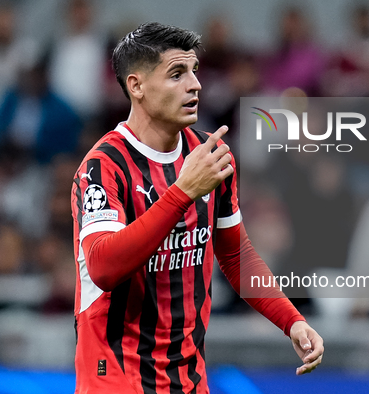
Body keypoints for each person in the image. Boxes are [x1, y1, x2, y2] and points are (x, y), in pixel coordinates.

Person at [70, 22, 323, 394]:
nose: (195, 85)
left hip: (188, 379)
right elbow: (104, 267)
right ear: (136, 86)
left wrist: (292, 321)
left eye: (194, 71)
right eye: (177, 74)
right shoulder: (103, 166)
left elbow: (236, 255)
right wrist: (182, 192)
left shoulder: (211, 156)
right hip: (116, 378)